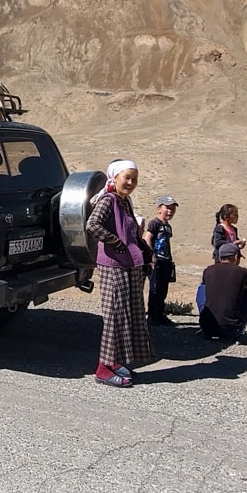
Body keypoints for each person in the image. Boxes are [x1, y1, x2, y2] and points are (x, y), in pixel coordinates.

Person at [85, 160, 156, 387]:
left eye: (134, 178)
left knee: (128, 314)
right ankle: (103, 369)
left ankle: (115, 362)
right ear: (114, 177)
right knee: (114, 316)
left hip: (127, 265)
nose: (131, 182)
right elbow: (93, 224)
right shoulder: (108, 200)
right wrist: (114, 241)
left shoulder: (124, 201)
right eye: (127, 177)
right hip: (113, 267)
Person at [198, 242, 247, 340]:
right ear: (235, 257)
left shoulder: (208, 270)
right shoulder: (242, 272)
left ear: (220, 257)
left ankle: (206, 318)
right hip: (231, 330)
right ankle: (240, 330)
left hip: (207, 327)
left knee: (202, 288)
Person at [142, 195, 178, 326]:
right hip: (156, 261)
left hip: (166, 261)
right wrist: (151, 256)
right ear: (159, 209)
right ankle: (152, 316)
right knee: (155, 288)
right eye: (167, 208)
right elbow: (148, 238)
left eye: (173, 208)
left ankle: (160, 314)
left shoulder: (168, 226)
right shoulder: (154, 223)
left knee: (163, 289)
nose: (170, 211)